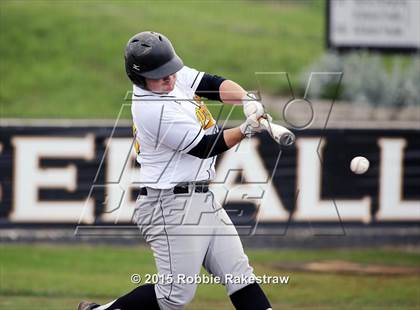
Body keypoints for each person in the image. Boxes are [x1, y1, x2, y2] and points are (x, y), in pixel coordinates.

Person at [78, 31, 272, 310]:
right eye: (160, 75)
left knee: (239, 275)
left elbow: (210, 84)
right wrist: (245, 129)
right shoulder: (151, 109)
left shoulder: (169, 77)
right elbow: (204, 146)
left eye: (170, 71)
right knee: (173, 296)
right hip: (168, 204)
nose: (170, 79)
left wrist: (245, 99)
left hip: (201, 198)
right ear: (140, 78)